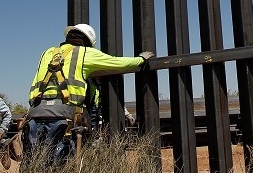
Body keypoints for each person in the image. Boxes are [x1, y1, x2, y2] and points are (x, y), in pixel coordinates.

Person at [21, 23, 154, 169]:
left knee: (34, 160)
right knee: (62, 162)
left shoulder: (47, 53)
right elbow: (118, 63)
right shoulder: (84, 53)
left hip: (35, 114)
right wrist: (140, 59)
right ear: (87, 42)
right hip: (64, 116)